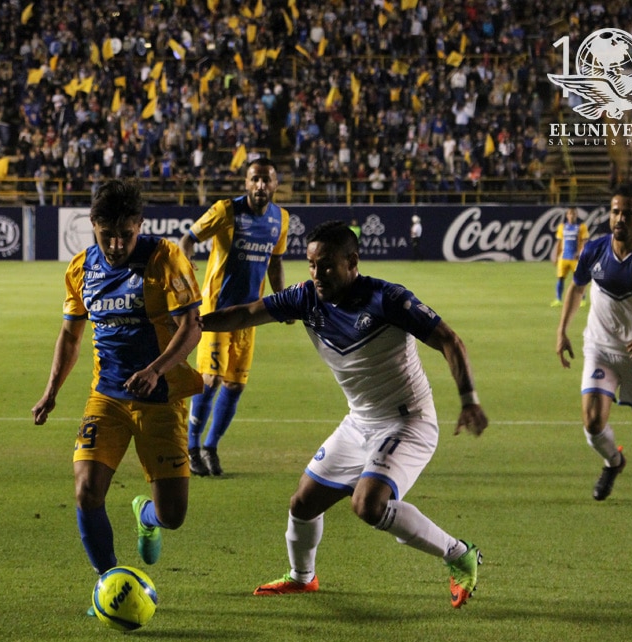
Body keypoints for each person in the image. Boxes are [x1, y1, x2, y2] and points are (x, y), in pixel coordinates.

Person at [201, 220, 488, 608]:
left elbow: (450, 341)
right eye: (311, 264)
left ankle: (459, 554)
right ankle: (303, 578)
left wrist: (469, 399)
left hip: (408, 420)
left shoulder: (387, 299)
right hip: (360, 422)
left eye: (326, 265)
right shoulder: (305, 298)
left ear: (352, 261)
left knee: (368, 505)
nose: (317, 274)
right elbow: (245, 313)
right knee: (302, 503)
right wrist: (192, 324)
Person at [33, 179, 203, 593]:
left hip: (161, 400)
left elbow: (191, 328)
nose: (115, 244)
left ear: (139, 225)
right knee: (86, 489)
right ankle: (109, 583)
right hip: (106, 397)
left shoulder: (165, 258)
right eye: (106, 234)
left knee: (173, 515)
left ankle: (147, 517)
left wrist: (156, 370)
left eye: (125, 234)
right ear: (92, 225)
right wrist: (51, 391)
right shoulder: (80, 268)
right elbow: (71, 335)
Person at [556, 183, 632, 504]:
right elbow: (577, 288)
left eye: (627, 213)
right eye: (615, 212)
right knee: (593, 422)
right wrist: (562, 330)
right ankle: (614, 461)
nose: (620, 218)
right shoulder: (594, 250)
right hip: (599, 349)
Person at [178, 157, 288, 477]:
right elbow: (188, 240)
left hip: (249, 316)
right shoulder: (226, 210)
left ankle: (211, 447)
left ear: (275, 184)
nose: (260, 185)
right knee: (210, 380)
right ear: (246, 182)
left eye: (266, 180)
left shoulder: (280, 219)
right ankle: (192, 446)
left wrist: (280, 301)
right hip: (215, 312)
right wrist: (187, 263)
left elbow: (276, 263)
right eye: (255, 179)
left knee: (235, 385)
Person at [552, 207, 588, 308]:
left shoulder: (581, 227)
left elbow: (585, 242)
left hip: (576, 259)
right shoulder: (562, 227)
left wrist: (581, 253)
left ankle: (582, 300)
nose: (572, 216)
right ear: (567, 215)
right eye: (570, 214)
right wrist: (556, 256)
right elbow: (559, 243)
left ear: (576, 215)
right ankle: (558, 299)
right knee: (560, 278)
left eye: (574, 214)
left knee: (579, 280)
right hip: (563, 257)